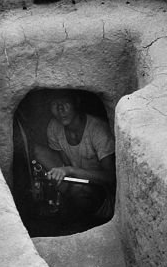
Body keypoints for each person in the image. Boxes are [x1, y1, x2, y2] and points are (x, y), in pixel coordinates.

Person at [32, 92, 116, 224]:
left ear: (76, 102)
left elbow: (110, 178)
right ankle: (61, 202)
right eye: (55, 104)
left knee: (78, 191)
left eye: (65, 102)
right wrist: (58, 174)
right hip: (74, 179)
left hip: (100, 189)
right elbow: (64, 162)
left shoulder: (97, 130)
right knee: (37, 150)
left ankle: (80, 221)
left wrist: (71, 171)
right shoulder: (54, 127)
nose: (60, 109)